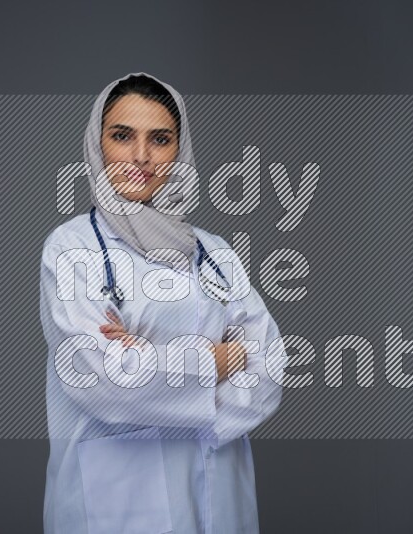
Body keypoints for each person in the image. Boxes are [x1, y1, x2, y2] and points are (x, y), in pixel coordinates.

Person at [39, 72, 287, 534]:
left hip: (219, 492)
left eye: (160, 139)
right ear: (98, 145)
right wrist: (213, 362)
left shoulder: (214, 252)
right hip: (119, 503)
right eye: (121, 136)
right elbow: (99, 378)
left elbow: (269, 365)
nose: (140, 156)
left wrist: (146, 359)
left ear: (180, 150)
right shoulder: (73, 248)